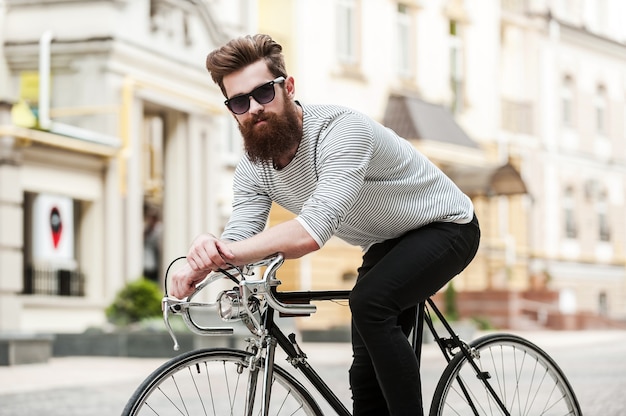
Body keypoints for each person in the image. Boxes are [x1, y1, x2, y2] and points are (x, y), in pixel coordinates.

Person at [170, 33, 480, 416]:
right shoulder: (254, 166)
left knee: (369, 302)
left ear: (288, 87)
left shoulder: (341, 130)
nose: (254, 108)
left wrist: (218, 255)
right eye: (239, 101)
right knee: (365, 378)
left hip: (447, 225)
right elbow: (240, 237)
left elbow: (311, 231)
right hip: (384, 242)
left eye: (264, 93)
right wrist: (200, 260)